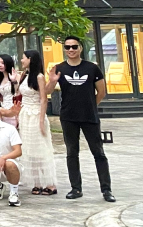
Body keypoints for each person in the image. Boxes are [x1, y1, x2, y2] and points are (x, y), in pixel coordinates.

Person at [47, 37, 113, 201]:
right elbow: (48, 91)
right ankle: (76, 188)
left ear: (80, 48)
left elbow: (101, 92)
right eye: (67, 47)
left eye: (74, 46)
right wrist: (52, 81)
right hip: (68, 117)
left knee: (98, 152)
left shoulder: (92, 68)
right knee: (72, 153)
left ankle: (106, 190)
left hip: (89, 116)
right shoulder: (60, 68)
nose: (71, 49)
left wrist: (91, 106)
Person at [17, 49, 58, 195]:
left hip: (36, 114)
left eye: (24, 58)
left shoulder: (39, 77)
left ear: (30, 59)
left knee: (41, 148)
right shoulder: (24, 75)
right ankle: (37, 183)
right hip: (25, 114)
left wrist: (41, 119)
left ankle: (50, 183)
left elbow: (43, 98)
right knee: (29, 149)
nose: (21, 60)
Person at [0, 54, 19, 127]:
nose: (0, 65)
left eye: (2, 63)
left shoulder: (16, 76)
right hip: (2, 108)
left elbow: (17, 91)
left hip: (13, 106)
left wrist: (14, 81)